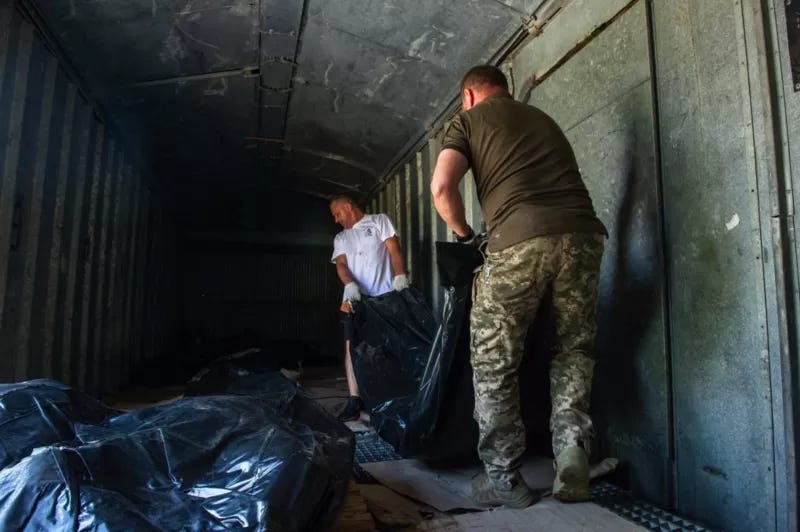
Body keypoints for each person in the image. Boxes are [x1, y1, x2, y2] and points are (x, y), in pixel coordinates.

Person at [430, 65, 607, 508]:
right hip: (583, 236)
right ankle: (571, 454)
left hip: (518, 241)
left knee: (494, 360)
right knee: (572, 348)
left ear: (469, 95)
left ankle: (504, 478)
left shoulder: (466, 121)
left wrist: (466, 235)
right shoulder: (542, 119)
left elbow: (441, 188)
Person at [329, 195, 409, 421]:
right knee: (350, 346)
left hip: (383, 298)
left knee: (386, 346)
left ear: (348, 206)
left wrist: (400, 274)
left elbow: (394, 249)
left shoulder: (379, 221)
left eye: (337, 213)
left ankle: (386, 395)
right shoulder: (341, 237)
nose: (336, 219)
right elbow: (341, 265)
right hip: (353, 300)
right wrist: (350, 284)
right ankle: (355, 399)